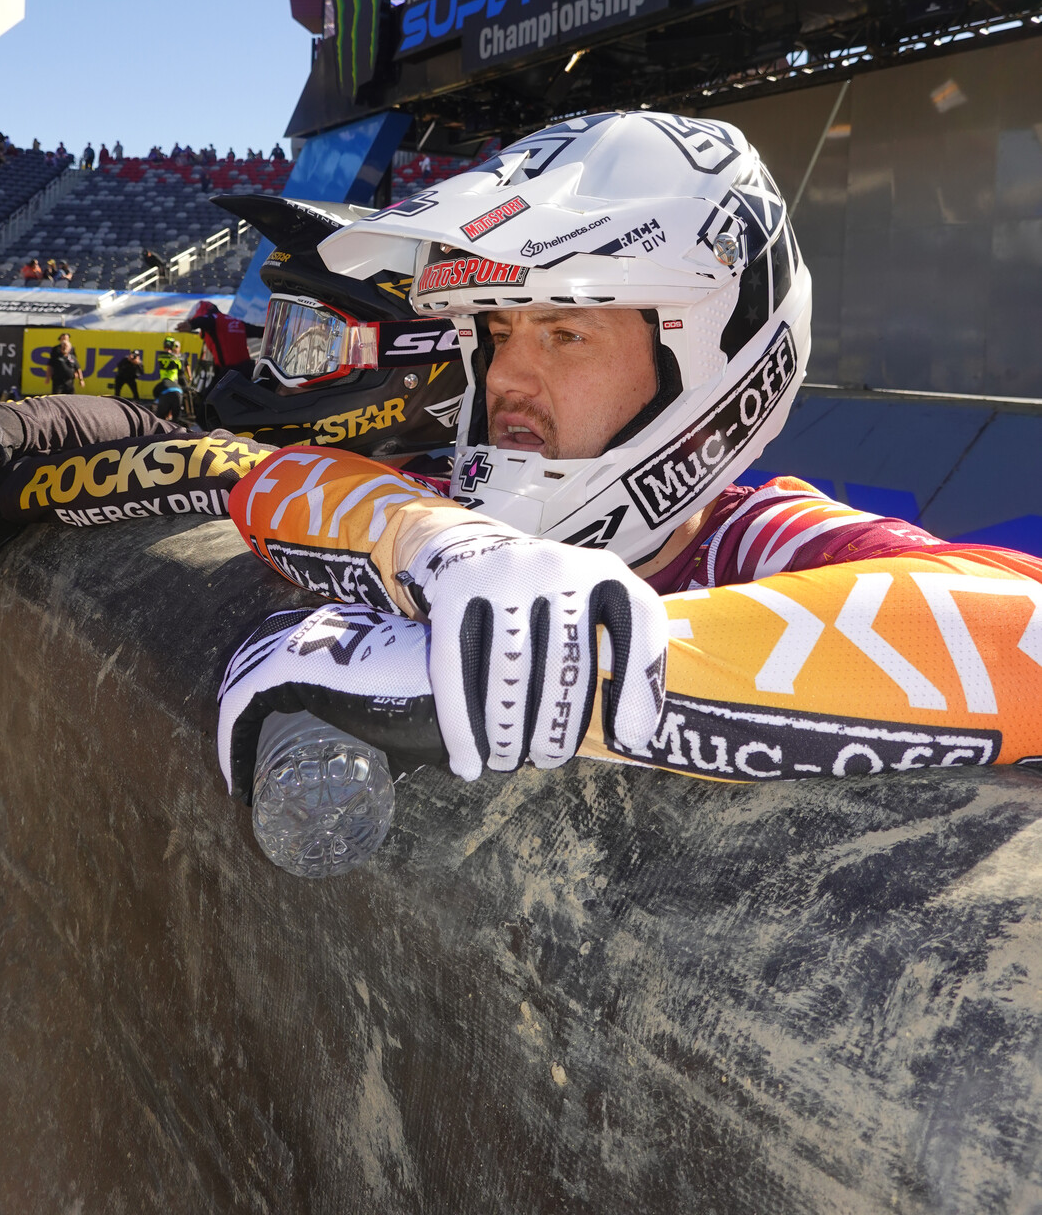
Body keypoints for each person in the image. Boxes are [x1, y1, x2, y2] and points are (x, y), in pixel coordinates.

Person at [228, 110, 1042, 788]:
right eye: (497, 330)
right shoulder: (446, 505)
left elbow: (1026, 628)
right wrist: (425, 535)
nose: (506, 373)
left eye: (565, 334)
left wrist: (544, 675)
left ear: (703, 361)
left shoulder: (753, 537)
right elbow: (273, 478)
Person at [153, 336, 189, 419]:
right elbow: (180, 367)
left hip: (165, 379)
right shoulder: (175, 357)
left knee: (165, 397)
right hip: (173, 379)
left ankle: (166, 413)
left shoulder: (160, 356)